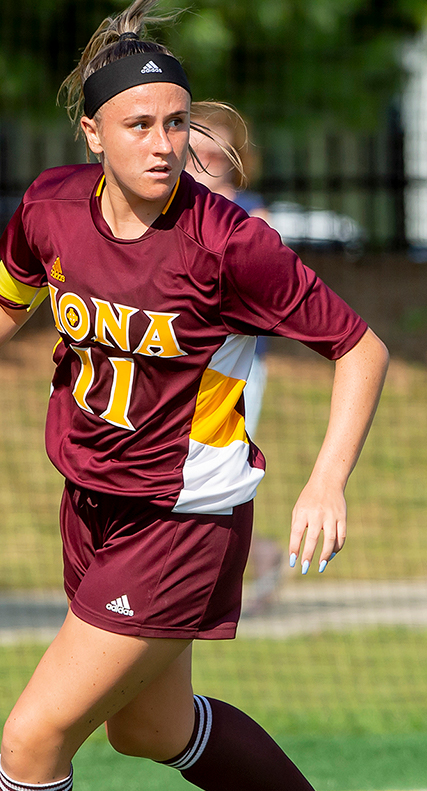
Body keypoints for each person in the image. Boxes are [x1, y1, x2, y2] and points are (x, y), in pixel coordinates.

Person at [0, 2, 391, 791]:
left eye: (177, 123)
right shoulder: (51, 207)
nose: (163, 144)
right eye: (139, 124)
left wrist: (327, 482)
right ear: (92, 133)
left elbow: (360, 346)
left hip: (183, 519)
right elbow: (8, 294)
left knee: (34, 734)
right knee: (149, 730)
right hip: (93, 501)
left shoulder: (229, 244)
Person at [187, 100, 284, 609]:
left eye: (216, 152)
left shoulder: (250, 212)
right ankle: (251, 558)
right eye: (195, 147)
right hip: (170, 362)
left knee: (220, 468)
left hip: (234, 367)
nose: (203, 158)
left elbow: (265, 286)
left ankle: (229, 570)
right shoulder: (164, 206)